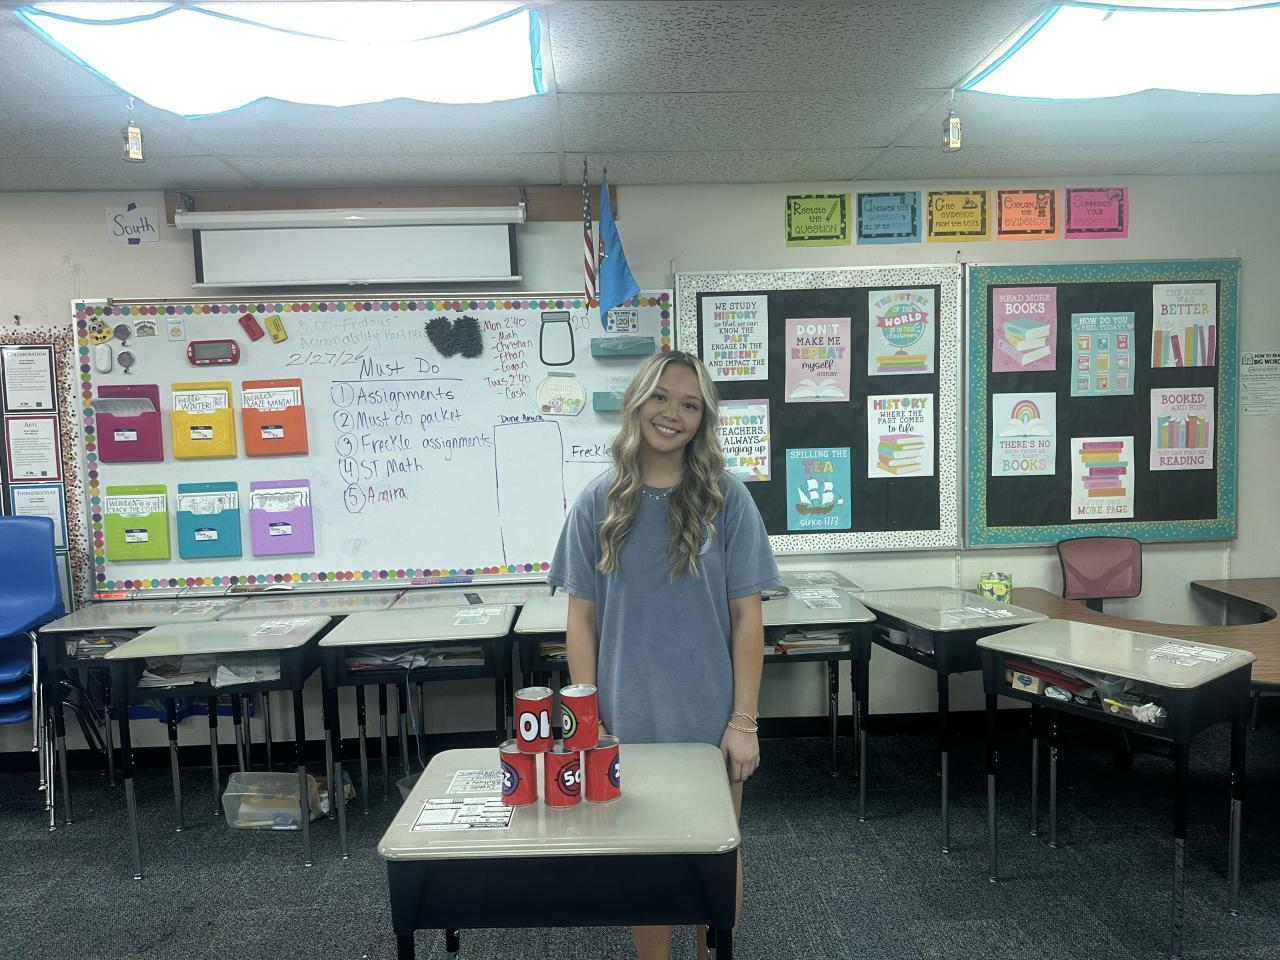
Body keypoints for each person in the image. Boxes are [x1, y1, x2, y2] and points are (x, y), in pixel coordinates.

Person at [548, 349, 780, 960]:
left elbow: (747, 617)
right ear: (637, 400)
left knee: (715, 856)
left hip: (711, 720)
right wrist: (587, 723)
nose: (672, 413)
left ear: (703, 419)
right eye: (660, 396)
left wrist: (745, 721)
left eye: (689, 404)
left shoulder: (727, 500)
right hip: (625, 721)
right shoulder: (597, 503)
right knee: (644, 862)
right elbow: (581, 620)